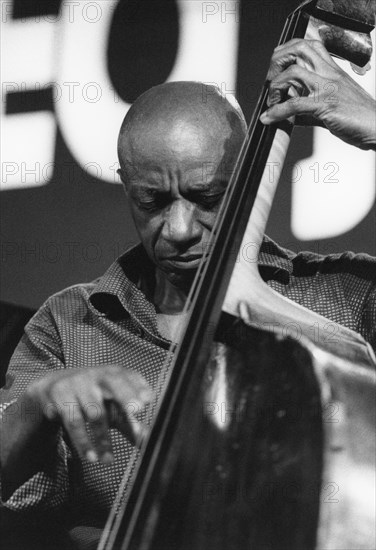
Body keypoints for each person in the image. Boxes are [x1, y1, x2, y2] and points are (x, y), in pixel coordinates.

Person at [1, 40, 375, 546]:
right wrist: (38, 404)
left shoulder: (349, 296)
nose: (177, 229)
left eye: (206, 198)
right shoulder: (71, 321)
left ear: (246, 180)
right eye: (151, 201)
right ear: (125, 185)